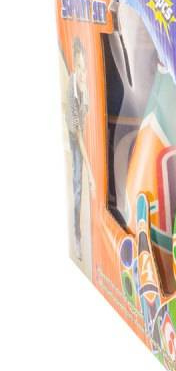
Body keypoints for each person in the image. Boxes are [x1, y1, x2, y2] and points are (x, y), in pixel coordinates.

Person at [66, 38, 95, 259]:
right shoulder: (71, 91)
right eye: (82, 69)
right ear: (75, 67)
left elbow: (88, 118)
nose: (85, 73)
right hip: (74, 135)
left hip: (83, 128)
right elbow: (79, 135)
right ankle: (77, 237)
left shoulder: (84, 86)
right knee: (77, 185)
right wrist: (91, 174)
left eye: (86, 68)